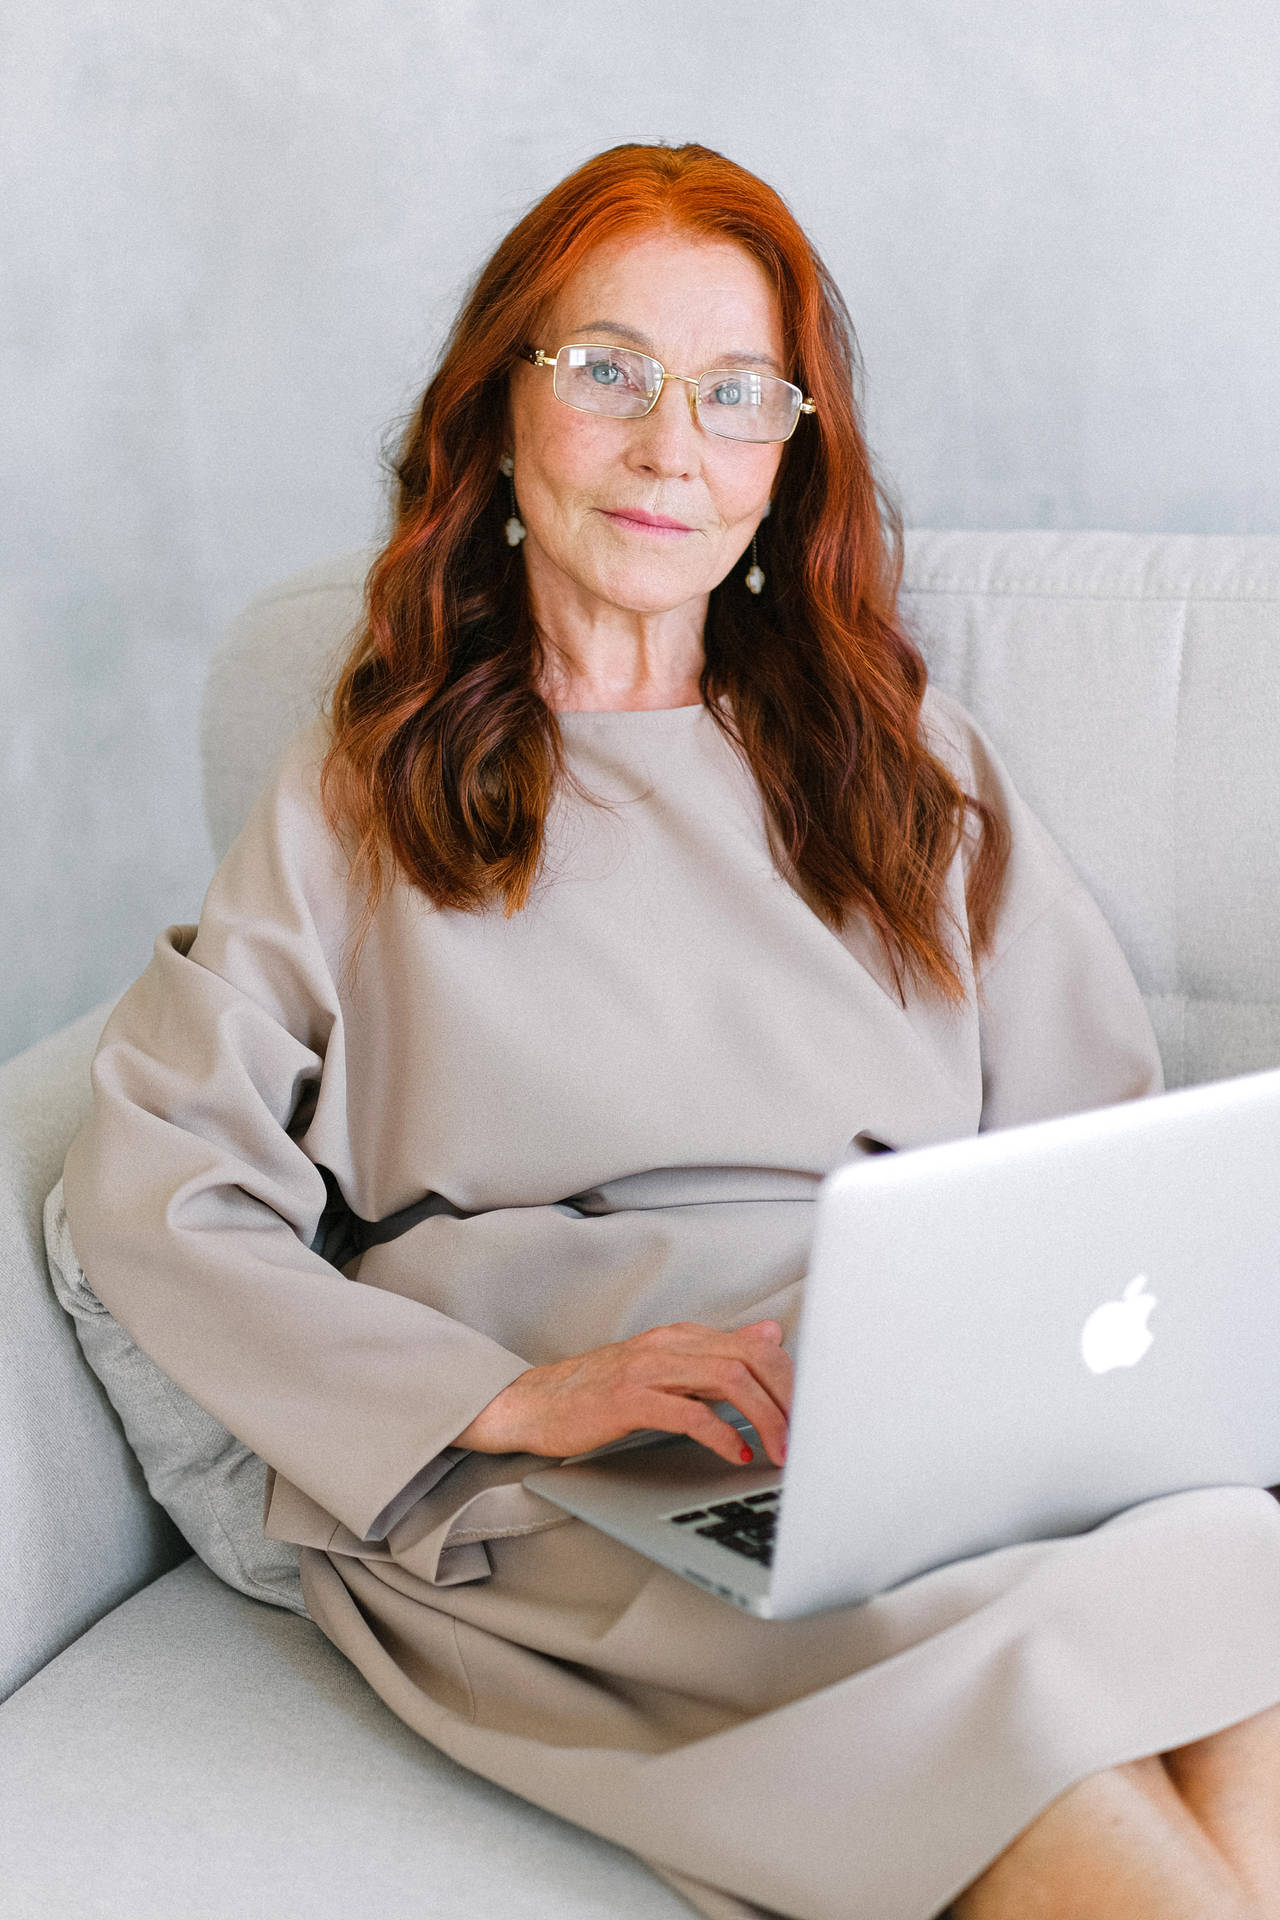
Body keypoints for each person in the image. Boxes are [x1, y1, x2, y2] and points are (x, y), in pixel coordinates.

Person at [61, 142, 1280, 1920]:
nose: (670, 447)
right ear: (496, 419)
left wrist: (1050, 1414)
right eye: (609, 371)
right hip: (603, 1479)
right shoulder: (364, 793)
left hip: (915, 1430)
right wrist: (506, 1395)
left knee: (1235, 1582)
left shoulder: (902, 763)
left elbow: (1100, 1159)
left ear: (788, 464)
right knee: (1037, 1730)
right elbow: (151, 1188)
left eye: (736, 395)